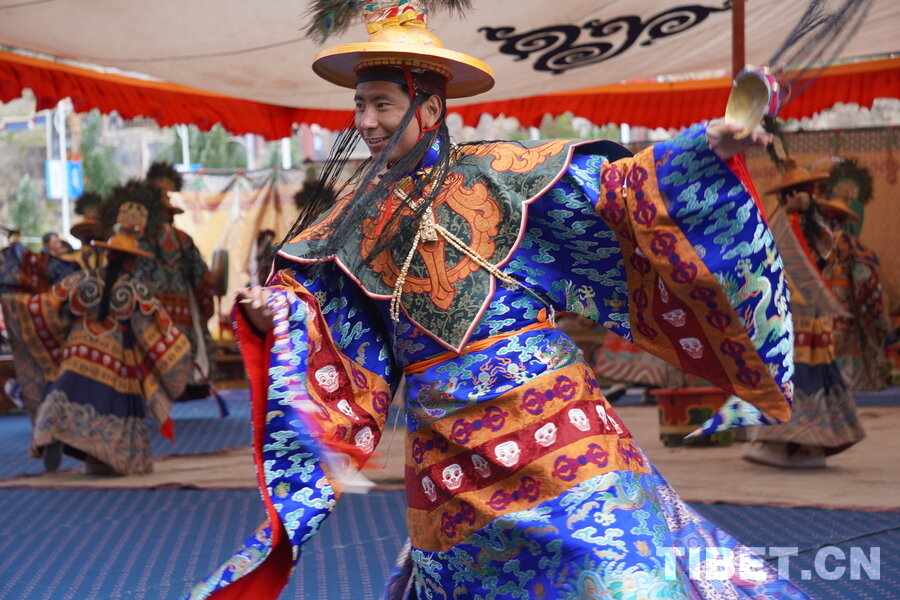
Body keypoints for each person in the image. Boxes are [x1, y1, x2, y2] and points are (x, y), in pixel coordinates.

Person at [184, 3, 805, 599]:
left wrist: (704, 148)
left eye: (382, 104)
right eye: (359, 105)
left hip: (555, 418)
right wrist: (277, 312)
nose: (366, 122)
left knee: (620, 569)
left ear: (429, 109)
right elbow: (322, 314)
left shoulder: (503, 174)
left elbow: (619, 189)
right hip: (445, 448)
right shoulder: (347, 222)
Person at [0, 187, 191, 475]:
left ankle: (51, 435)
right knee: (110, 409)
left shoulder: (80, 279)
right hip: (116, 360)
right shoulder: (136, 290)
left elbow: (46, 306)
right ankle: (106, 459)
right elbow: (154, 331)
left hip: (77, 353)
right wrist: (177, 351)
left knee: (61, 398)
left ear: (108, 253)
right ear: (131, 260)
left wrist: (14, 304)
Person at [742, 160, 865, 469]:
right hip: (795, 311)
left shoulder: (809, 226)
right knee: (799, 373)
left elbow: (815, 258)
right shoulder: (793, 225)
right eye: (788, 196)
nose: (791, 200)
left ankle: (792, 445)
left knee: (799, 374)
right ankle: (804, 449)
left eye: (795, 194)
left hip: (802, 314)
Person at [136, 161, 215, 398]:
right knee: (183, 340)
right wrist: (204, 303)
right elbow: (200, 275)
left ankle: (152, 385)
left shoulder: (139, 240)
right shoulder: (183, 239)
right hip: (182, 306)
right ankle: (186, 384)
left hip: (149, 306)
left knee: (151, 344)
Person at [817, 160, 890, 391]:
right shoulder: (853, 251)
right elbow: (870, 296)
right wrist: (880, 330)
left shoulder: (816, 248)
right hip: (843, 335)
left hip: (822, 336)